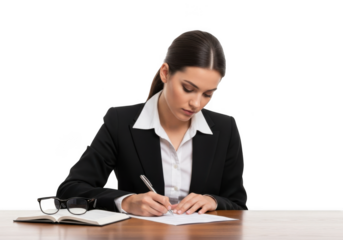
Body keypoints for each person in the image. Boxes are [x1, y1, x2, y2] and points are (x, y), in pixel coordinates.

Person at [56, 29, 247, 217]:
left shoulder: (225, 128)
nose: (196, 103)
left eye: (208, 94)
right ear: (165, 73)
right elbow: (71, 189)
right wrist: (126, 201)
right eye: (188, 89)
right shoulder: (120, 122)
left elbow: (237, 204)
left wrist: (213, 201)